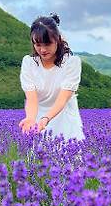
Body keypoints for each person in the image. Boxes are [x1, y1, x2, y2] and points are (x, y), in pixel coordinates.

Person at [18, 13, 85, 141]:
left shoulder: (71, 63)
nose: (42, 50)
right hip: (39, 118)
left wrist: (46, 119)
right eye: (38, 45)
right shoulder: (29, 63)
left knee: (70, 155)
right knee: (40, 157)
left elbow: (63, 99)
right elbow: (31, 99)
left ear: (57, 39)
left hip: (64, 116)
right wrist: (31, 118)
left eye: (47, 44)